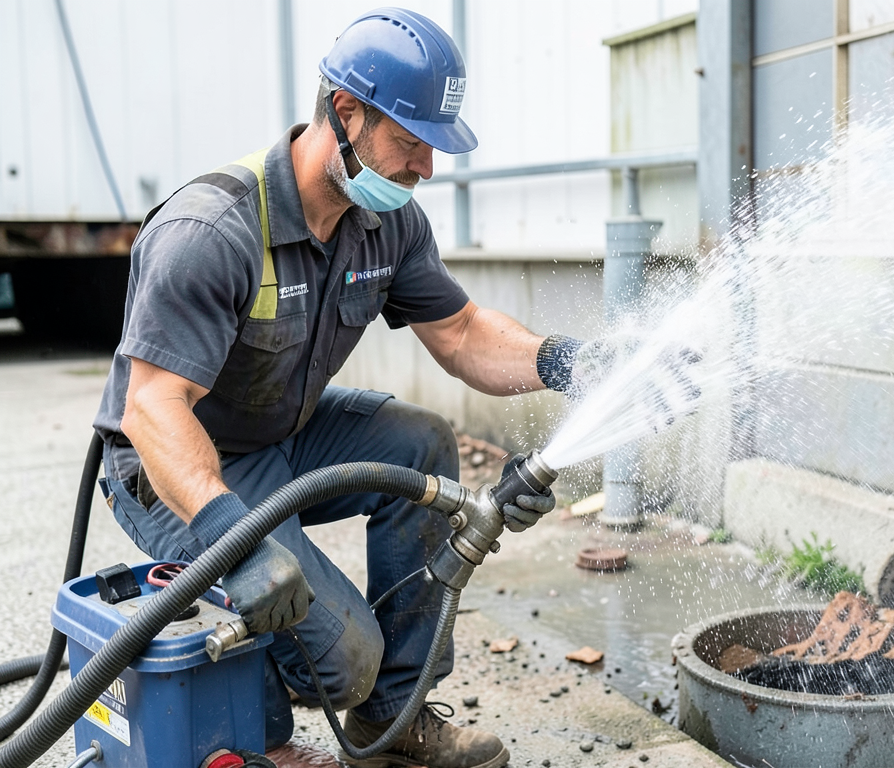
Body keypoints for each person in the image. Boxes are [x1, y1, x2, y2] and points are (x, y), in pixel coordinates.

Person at [93, 7, 588, 768]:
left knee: (421, 442)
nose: (426, 166)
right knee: (342, 658)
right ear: (344, 112)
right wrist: (239, 541)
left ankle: (390, 719)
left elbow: (459, 334)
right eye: (410, 141)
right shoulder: (212, 232)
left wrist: (564, 362)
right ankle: (257, 740)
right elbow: (152, 405)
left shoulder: (384, 221)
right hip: (174, 471)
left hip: (277, 437)